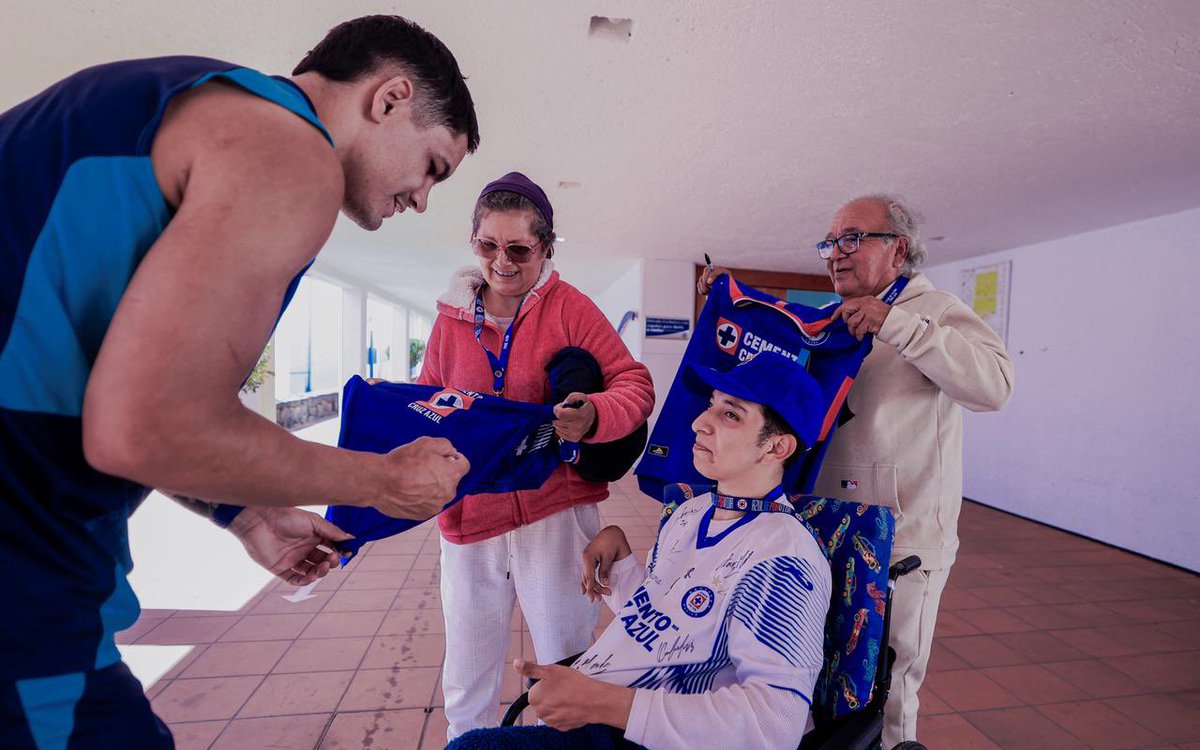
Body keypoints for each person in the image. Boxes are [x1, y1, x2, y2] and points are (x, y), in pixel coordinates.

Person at [0, 15, 479, 748]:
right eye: (434, 167)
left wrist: (245, 512)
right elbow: (147, 425)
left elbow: (100, 379)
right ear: (390, 98)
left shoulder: (159, 102)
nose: (420, 198)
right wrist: (380, 481)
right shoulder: (288, 151)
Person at [699, 194, 1013, 748]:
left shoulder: (933, 310)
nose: (834, 255)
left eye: (851, 239)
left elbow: (994, 386)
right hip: (818, 532)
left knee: (888, 690)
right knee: (815, 676)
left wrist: (899, 325)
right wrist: (734, 309)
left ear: (898, 248)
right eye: (829, 243)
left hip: (898, 543)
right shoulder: (830, 320)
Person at [449, 352, 832, 750]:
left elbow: (774, 725)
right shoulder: (692, 512)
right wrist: (621, 567)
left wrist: (604, 704)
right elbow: (675, 623)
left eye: (731, 415)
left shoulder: (784, 560)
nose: (700, 423)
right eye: (710, 406)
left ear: (777, 448)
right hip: (615, 704)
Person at [413, 172, 655, 741]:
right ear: (474, 244)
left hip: (554, 513)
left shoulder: (570, 308)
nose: (503, 261)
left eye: (520, 248)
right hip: (470, 522)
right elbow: (427, 401)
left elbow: (634, 384)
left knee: (566, 664)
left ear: (545, 248)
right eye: (488, 246)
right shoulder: (450, 320)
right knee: (467, 678)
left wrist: (594, 413)